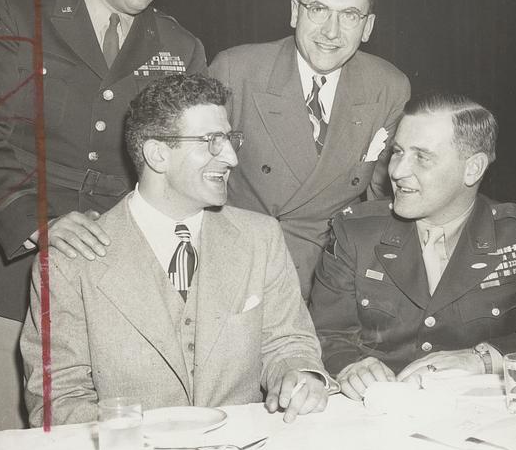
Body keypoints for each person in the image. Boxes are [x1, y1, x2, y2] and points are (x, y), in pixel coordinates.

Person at [0, 0, 206, 431]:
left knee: (109, 434)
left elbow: (181, 169)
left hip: (119, 268)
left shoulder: (180, 46)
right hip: (16, 260)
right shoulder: (14, 13)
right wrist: (40, 221)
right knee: (13, 439)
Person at [21, 73, 332, 426]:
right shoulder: (67, 263)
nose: (230, 157)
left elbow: (288, 342)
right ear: (157, 154)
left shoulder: (261, 237)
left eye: (229, 139)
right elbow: (59, 400)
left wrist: (299, 375)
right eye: (211, 141)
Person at [308, 94, 516, 399]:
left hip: (477, 414)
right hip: (376, 412)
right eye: (398, 152)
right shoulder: (355, 232)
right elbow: (325, 333)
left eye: (422, 157)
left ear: (473, 168)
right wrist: (351, 365)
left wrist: (481, 358)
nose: (398, 171)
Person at [209, 0, 410, 301]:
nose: (331, 31)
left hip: (332, 278)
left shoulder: (388, 86)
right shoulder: (235, 71)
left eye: (349, 15)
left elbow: (382, 201)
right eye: (318, 9)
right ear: (294, 13)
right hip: (241, 270)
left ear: (367, 27)